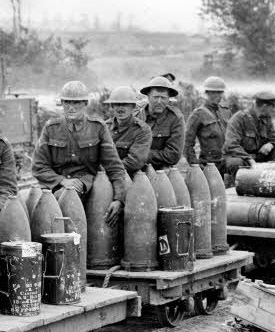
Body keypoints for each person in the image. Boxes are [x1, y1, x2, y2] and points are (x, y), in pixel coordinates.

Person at [31, 80, 127, 225]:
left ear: (85, 103)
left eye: (76, 103)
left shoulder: (98, 128)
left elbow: (114, 166)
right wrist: (62, 181)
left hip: (86, 185)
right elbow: (39, 167)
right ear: (62, 103)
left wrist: (119, 198)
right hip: (55, 186)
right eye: (67, 103)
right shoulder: (51, 128)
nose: (71, 108)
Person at [220, 90, 275, 184]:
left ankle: (273, 184)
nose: (274, 110)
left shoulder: (266, 119)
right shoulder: (238, 119)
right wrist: (249, 159)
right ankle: (242, 187)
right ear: (265, 106)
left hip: (258, 157)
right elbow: (231, 145)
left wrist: (271, 144)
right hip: (241, 157)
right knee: (235, 163)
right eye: (273, 107)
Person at [104, 86, 152, 178]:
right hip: (104, 177)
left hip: (131, 179)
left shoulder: (142, 130)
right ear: (112, 106)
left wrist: (106, 168)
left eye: (125, 104)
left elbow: (134, 162)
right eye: (117, 104)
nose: (120, 108)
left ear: (133, 106)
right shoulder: (104, 127)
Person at [139, 75, 185, 169]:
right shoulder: (136, 115)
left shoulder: (175, 119)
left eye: (163, 98)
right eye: (155, 97)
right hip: (134, 170)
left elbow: (173, 156)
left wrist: (141, 154)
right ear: (148, 97)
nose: (159, 101)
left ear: (169, 99)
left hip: (162, 174)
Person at [184, 75, 229, 168]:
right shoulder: (198, 114)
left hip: (227, 161)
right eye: (213, 93)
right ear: (206, 93)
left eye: (220, 92)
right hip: (209, 164)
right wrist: (195, 164)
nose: (217, 96)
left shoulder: (226, 111)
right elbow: (187, 143)